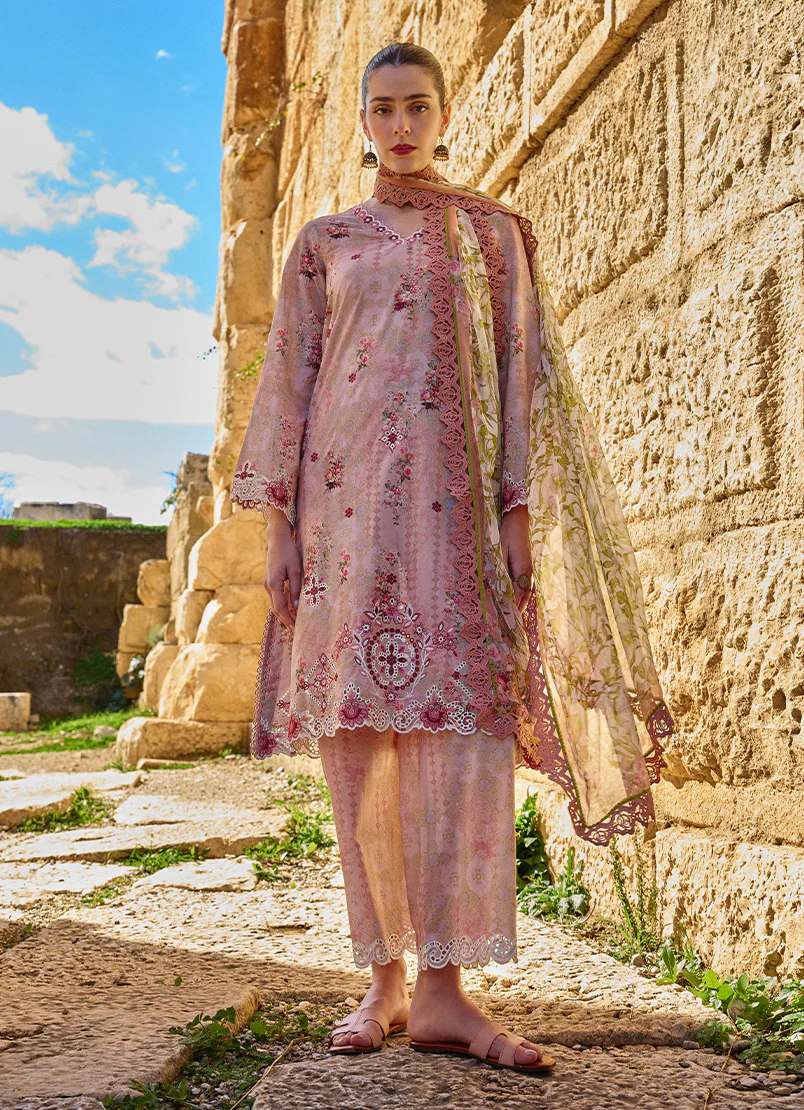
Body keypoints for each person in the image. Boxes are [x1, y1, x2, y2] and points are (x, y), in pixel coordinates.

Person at [230, 42, 675, 1075]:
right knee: (360, 751)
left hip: (454, 521)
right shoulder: (324, 243)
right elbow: (290, 382)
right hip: (342, 526)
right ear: (363, 120)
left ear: (442, 113)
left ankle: (446, 992)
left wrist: (517, 506)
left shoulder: (492, 235)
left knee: (464, 745)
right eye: (383, 108)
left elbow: (524, 376)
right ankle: (382, 980)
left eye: (417, 106)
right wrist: (279, 526)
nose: (401, 126)